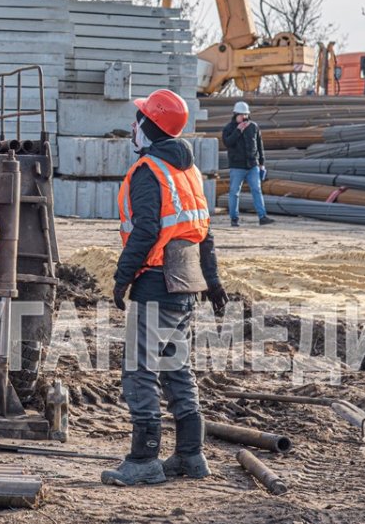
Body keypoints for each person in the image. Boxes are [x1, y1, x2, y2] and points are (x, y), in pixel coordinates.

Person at [103, 89, 229, 486]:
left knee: (140, 371)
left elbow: (145, 231)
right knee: (178, 369)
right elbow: (204, 234)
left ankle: (143, 460)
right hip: (186, 284)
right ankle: (191, 456)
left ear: (149, 126)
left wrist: (121, 279)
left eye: (139, 119)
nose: (133, 126)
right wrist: (213, 282)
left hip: (156, 283)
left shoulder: (148, 171)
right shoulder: (188, 171)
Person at [221, 100, 275, 227]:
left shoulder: (253, 127)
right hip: (237, 166)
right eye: (241, 115)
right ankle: (234, 219)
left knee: (256, 190)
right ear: (235, 115)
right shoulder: (229, 128)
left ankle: (262, 217)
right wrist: (238, 131)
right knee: (234, 192)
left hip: (252, 165)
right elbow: (227, 143)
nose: (244, 117)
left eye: (245, 115)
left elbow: (259, 145)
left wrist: (261, 163)